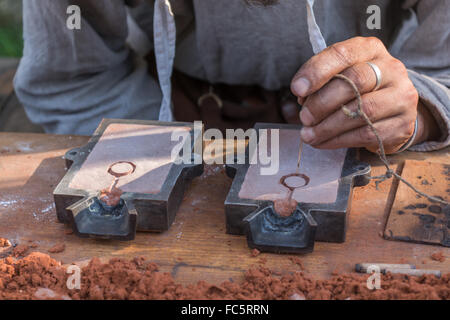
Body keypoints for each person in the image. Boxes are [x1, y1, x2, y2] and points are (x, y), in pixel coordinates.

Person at [14, 0, 450, 154]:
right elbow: (73, 82)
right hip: (164, 111)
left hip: (361, 138)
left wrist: (421, 113)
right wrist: (160, 149)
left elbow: (443, 77)